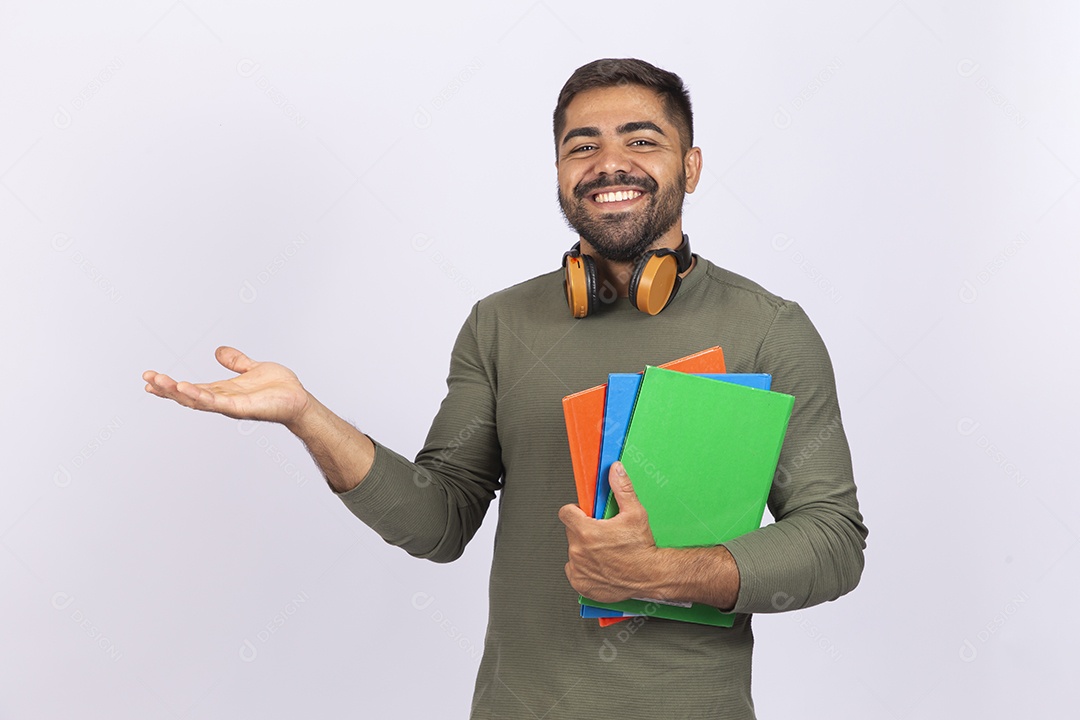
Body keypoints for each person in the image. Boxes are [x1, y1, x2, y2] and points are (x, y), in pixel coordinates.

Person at [143, 58, 867, 719]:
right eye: (582, 145)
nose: (609, 161)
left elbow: (834, 543)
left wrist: (663, 573)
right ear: (558, 169)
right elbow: (440, 520)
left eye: (641, 140)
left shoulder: (768, 328)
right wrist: (308, 416)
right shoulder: (499, 325)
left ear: (692, 165)